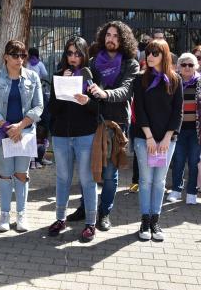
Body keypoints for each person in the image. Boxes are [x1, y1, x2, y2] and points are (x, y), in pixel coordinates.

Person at [65, 21, 139, 233]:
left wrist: (105, 93)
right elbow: (80, 90)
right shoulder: (93, 62)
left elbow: (126, 90)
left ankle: (104, 212)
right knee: (87, 170)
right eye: (108, 34)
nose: (111, 38)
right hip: (92, 121)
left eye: (116, 35)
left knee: (109, 173)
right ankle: (85, 208)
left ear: (122, 39)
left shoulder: (130, 64)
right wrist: (69, 79)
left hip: (116, 124)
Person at [0, 40, 43, 233]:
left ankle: (21, 214)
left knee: (21, 174)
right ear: (6, 57)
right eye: (15, 55)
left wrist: (21, 126)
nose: (20, 59)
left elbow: (39, 106)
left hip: (24, 134)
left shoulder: (33, 77)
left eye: (22, 56)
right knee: (4, 174)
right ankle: (4, 214)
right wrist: (7, 126)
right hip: (4, 133)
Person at [47, 36, 99, 242]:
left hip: (85, 135)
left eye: (77, 53)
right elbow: (52, 109)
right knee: (62, 178)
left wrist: (87, 101)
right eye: (69, 53)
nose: (73, 57)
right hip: (61, 136)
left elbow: (97, 109)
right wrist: (62, 86)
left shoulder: (91, 76)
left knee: (87, 179)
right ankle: (60, 219)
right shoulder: (59, 75)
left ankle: (90, 223)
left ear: (84, 54)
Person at [132, 39, 182, 241]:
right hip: (144, 138)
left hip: (167, 140)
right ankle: (145, 221)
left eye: (155, 53)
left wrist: (167, 138)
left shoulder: (175, 80)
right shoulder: (140, 79)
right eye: (148, 53)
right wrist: (150, 137)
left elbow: (177, 112)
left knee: (160, 181)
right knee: (145, 181)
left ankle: (155, 221)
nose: (149, 57)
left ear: (164, 55)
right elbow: (139, 110)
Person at [167, 53, 201, 205]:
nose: (187, 67)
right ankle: (176, 190)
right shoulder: (173, 83)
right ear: (178, 67)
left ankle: (192, 192)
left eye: (190, 65)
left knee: (195, 162)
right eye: (183, 64)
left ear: (196, 66)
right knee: (178, 161)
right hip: (178, 130)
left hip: (197, 131)